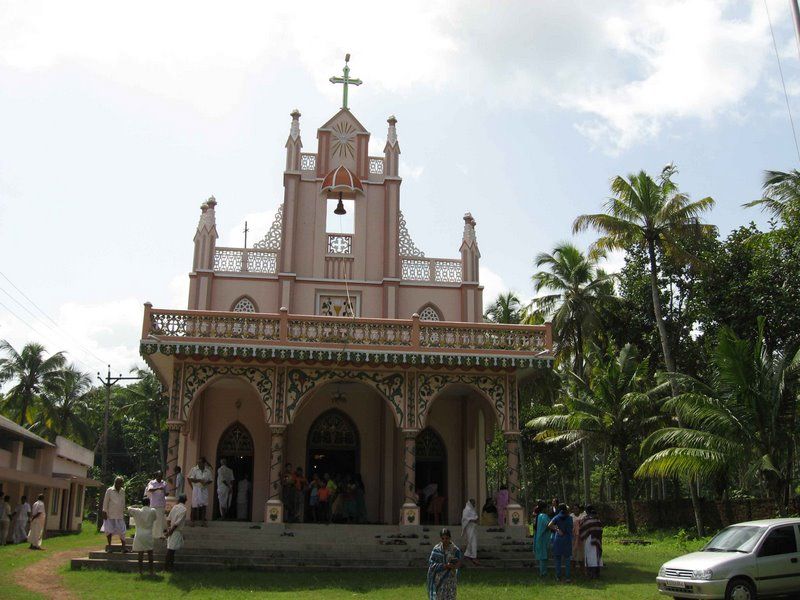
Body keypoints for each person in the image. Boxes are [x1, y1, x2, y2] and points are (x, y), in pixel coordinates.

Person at [427, 527, 462, 600]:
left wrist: (454, 566)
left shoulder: (455, 550)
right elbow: (431, 564)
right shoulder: (436, 549)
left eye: (446, 538)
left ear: (450, 538)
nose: (445, 540)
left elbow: (459, 563)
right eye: (443, 538)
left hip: (451, 579)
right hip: (439, 580)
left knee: (450, 597)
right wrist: (445, 566)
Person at [128, 497, 157, 575]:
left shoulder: (137, 511)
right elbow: (155, 518)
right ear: (149, 503)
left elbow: (129, 509)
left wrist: (135, 506)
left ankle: (140, 571)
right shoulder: (152, 511)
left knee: (140, 553)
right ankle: (151, 571)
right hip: (148, 533)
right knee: (150, 553)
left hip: (139, 534)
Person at [548, 503, 573, 582]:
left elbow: (549, 525)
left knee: (558, 559)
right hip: (567, 539)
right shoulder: (570, 518)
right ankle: (568, 577)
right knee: (567, 559)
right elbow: (571, 528)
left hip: (558, 539)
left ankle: (558, 576)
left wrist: (557, 529)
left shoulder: (557, 517)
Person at [102, 476, 127, 552]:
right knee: (109, 531)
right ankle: (109, 547)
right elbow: (105, 501)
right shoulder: (109, 490)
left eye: (121, 483)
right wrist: (104, 511)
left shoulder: (122, 491)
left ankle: (123, 548)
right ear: (115, 483)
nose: (119, 485)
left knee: (122, 531)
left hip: (119, 515)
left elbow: (123, 502)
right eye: (118, 483)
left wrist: (123, 512)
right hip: (110, 514)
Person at [165, 494, 187, 571]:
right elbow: (177, 523)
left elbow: (168, 520)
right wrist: (170, 532)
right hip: (175, 531)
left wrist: (168, 529)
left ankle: (170, 566)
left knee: (171, 550)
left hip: (172, 530)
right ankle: (167, 567)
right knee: (170, 551)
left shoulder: (174, 507)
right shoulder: (184, 509)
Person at [580, 505, 604, 578]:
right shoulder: (598, 519)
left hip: (589, 539)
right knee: (596, 557)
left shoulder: (586, 520)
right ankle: (596, 574)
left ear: (587, 511)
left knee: (590, 557)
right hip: (597, 540)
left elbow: (582, 528)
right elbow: (600, 530)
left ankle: (591, 574)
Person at [187, 457, 212, 526]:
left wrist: (206, 483)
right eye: (198, 462)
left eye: (200, 462)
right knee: (194, 505)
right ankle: (192, 521)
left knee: (204, 505)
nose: (198, 464)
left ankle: (203, 521)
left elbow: (210, 480)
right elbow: (191, 479)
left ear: (204, 463)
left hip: (204, 489)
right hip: (196, 489)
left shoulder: (208, 470)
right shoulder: (194, 469)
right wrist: (199, 481)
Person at [145, 471, 168, 539]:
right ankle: (153, 534)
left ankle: (160, 534)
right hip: (154, 504)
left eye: (161, 476)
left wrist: (164, 491)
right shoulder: (152, 482)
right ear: (156, 476)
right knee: (154, 520)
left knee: (160, 520)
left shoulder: (164, 483)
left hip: (161, 504)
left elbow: (167, 493)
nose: (160, 477)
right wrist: (158, 488)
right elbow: (150, 490)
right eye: (159, 476)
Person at [533, 500, 549, 577]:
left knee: (542, 556)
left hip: (538, 536)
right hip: (543, 537)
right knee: (543, 556)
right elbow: (548, 525)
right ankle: (543, 573)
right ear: (544, 508)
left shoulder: (537, 516)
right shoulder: (543, 516)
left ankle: (542, 572)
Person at [460, 499, 479, 565]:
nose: (474, 505)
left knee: (471, 542)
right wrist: (472, 520)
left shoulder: (472, 510)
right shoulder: (466, 510)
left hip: (473, 528)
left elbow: (475, 516)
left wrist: (475, 519)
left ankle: (467, 555)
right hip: (469, 528)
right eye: (473, 503)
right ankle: (473, 557)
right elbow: (465, 519)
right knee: (472, 542)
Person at [571, 504, 586, 575]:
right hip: (573, 538)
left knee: (581, 556)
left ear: (579, 509)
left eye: (576, 508)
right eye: (574, 508)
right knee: (573, 555)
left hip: (581, 538)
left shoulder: (583, 515)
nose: (575, 510)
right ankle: (572, 572)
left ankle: (582, 572)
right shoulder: (571, 516)